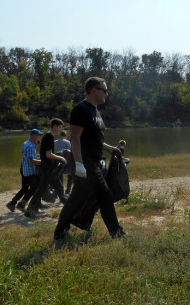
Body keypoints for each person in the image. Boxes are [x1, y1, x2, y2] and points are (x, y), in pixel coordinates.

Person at [54, 77, 125, 240]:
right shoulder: (81, 109)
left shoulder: (95, 111)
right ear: (94, 90)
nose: (106, 94)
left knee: (75, 199)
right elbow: (76, 139)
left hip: (95, 161)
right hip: (86, 163)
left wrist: (110, 149)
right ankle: (117, 233)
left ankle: (60, 232)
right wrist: (79, 164)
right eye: (104, 90)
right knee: (105, 195)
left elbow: (95, 140)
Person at [24, 118, 69, 219]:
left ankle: (68, 208)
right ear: (55, 126)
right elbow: (48, 154)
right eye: (60, 127)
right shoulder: (49, 136)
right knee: (43, 190)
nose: (61, 129)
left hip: (49, 169)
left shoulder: (48, 136)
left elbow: (46, 154)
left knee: (59, 188)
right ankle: (29, 212)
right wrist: (61, 158)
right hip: (48, 169)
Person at [6, 129, 42, 212]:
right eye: (37, 135)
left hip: (24, 169)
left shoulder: (26, 143)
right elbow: (31, 160)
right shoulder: (31, 146)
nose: (39, 137)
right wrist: (42, 161)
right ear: (33, 136)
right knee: (34, 189)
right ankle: (22, 205)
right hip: (30, 171)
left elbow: (27, 155)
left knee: (25, 188)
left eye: (39, 136)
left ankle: (12, 203)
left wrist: (37, 156)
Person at [55, 130, 73, 195]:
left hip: (57, 162)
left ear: (60, 135)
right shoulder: (68, 142)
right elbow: (71, 153)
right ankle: (67, 192)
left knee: (60, 177)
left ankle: (61, 192)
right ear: (66, 136)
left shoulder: (55, 142)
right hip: (67, 162)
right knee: (70, 177)